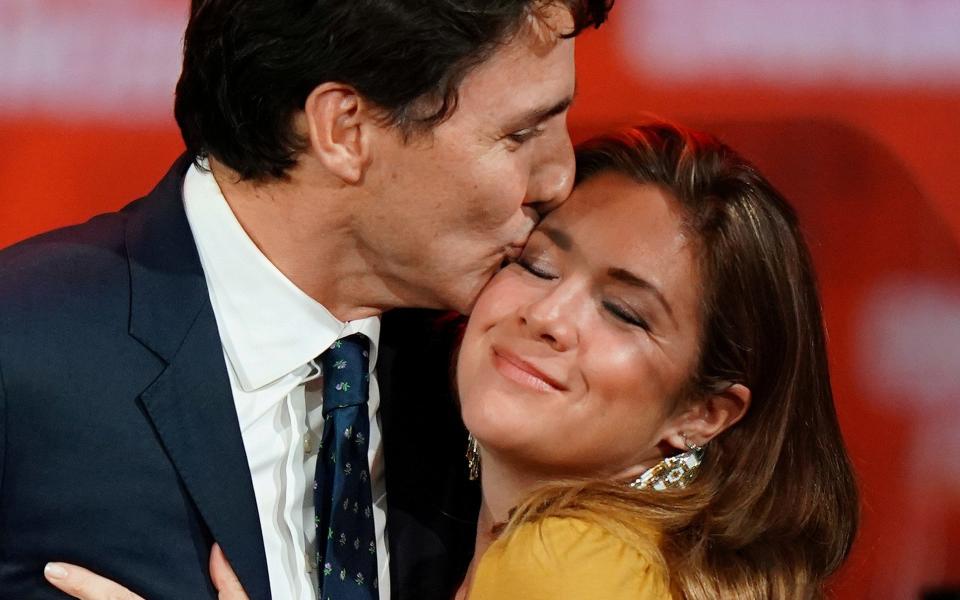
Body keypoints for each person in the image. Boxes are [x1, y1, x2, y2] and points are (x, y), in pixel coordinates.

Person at [46, 122, 859, 599]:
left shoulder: (572, 566)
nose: (547, 316)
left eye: (623, 312)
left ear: (703, 412)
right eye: (536, 263)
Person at [0, 1, 613, 599]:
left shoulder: (497, 383)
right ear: (344, 129)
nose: (559, 177)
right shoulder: (23, 347)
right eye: (520, 133)